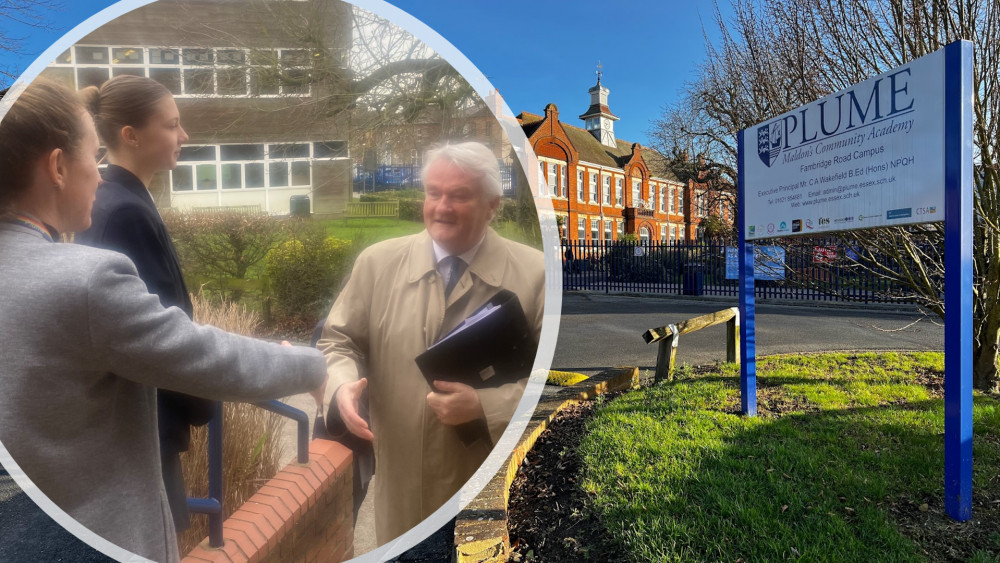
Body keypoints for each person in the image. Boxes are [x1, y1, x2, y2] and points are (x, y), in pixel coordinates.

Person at [0, 79, 326, 563]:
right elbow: (196, 354)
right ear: (58, 167)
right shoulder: (85, 279)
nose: (100, 174)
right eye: (93, 156)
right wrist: (311, 365)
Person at [317, 141, 545, 544]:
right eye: (433, 193)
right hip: (401, 497)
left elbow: (554, 388)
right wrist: (339, 387)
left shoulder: (537, 276)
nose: (442, 207)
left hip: (489, 494)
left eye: (459, 196)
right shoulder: (376, 263)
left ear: (492, 205)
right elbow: (339, 341)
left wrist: (486, 406)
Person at [74, 75, 209, 535]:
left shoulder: (122, 199)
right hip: (142, 427)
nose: (184, 136)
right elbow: (157, 334)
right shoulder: (123, 212)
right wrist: (205, 394)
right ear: (130, 136)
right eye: (171, 125)